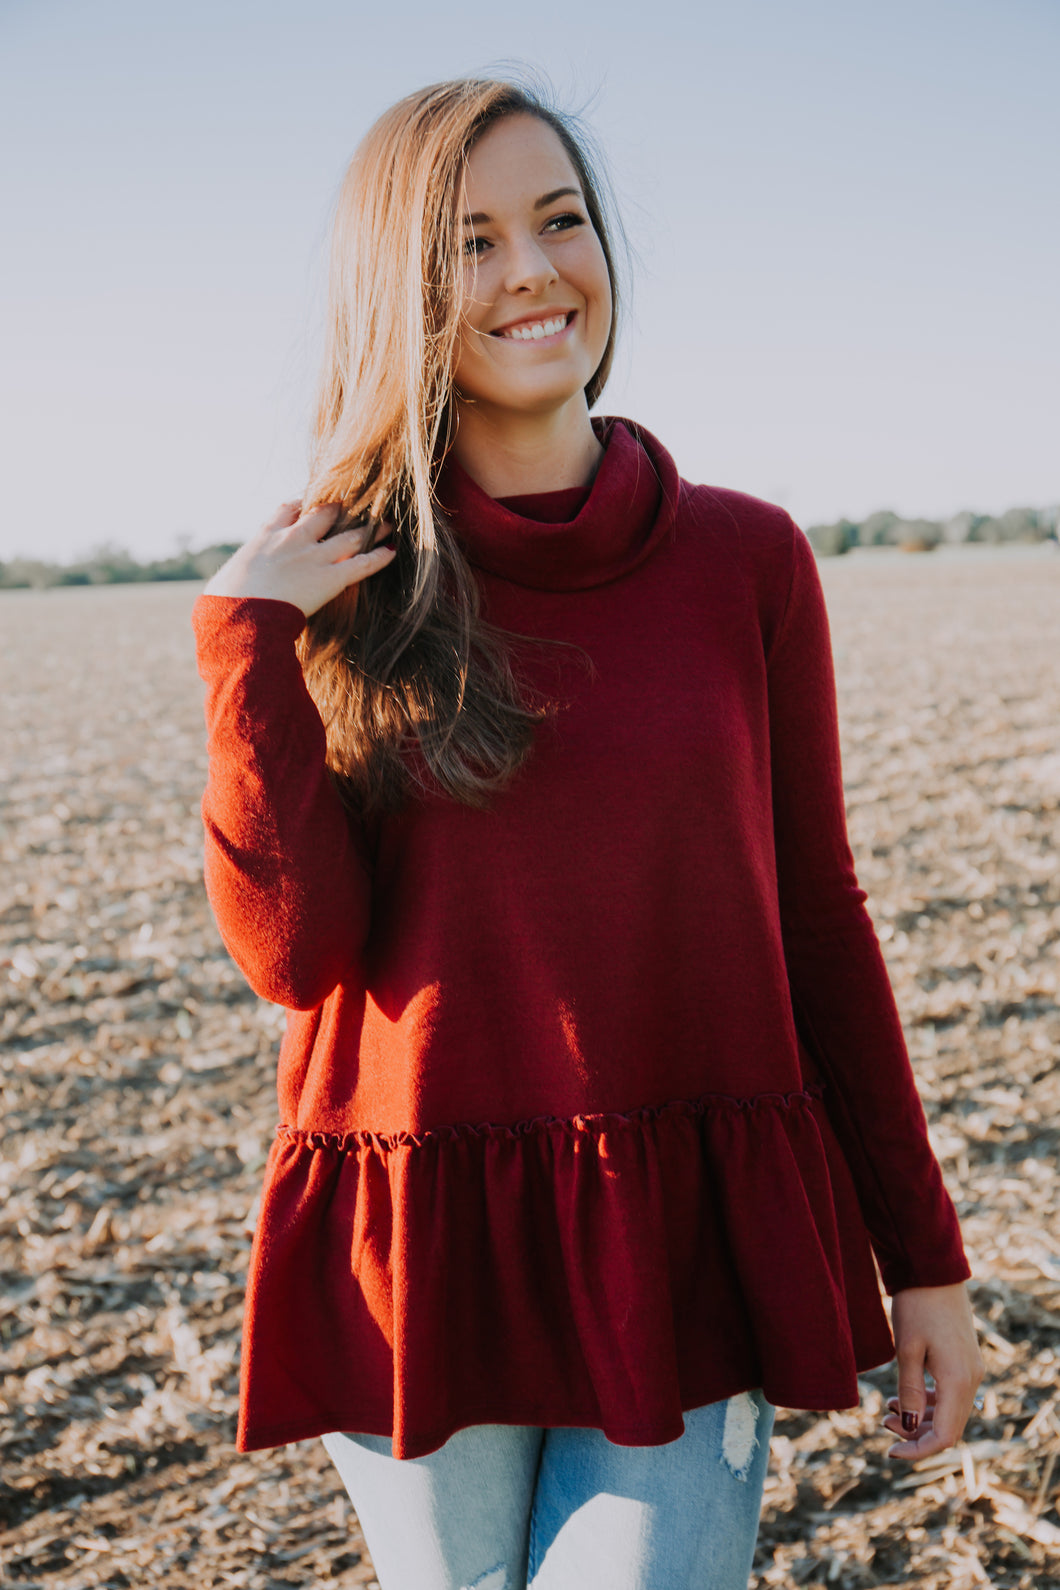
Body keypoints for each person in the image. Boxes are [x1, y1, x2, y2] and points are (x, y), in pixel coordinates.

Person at [192, 76, 984, 1590]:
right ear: (404, 294)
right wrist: (246, 650)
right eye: (470, 242)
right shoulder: (340, 588)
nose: (531, 272)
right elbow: (298, 960)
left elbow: (816, 913)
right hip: (425, 1238)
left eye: (559, 221)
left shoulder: (748, 560)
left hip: (681, 1231)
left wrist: (923, 1257)